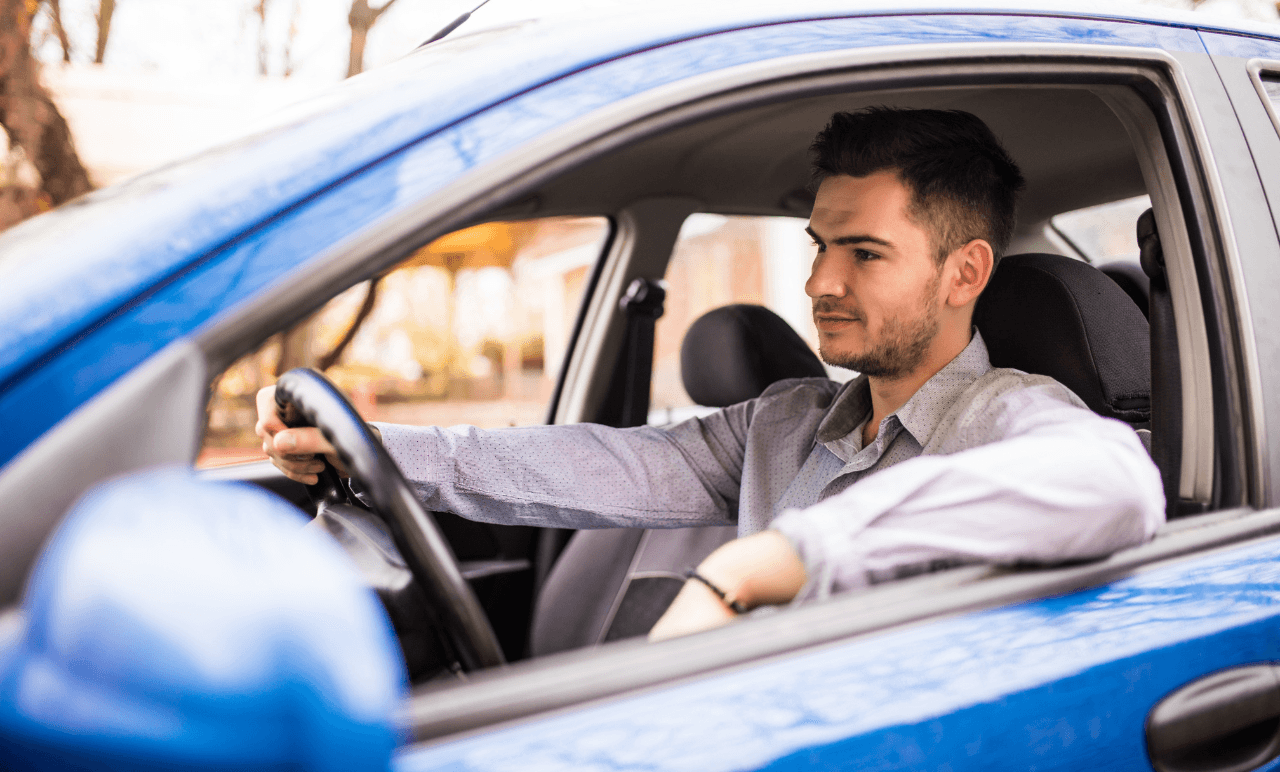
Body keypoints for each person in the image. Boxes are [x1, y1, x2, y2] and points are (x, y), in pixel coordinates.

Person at [255, 107, 1164, 643]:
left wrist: (769, 560)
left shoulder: (1009, 413)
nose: (818, 282)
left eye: (864, 253)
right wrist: (378, 448)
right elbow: (589, 465)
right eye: (818, 246)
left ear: (964, 273)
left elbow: (1118, 481)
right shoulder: (784, 422)